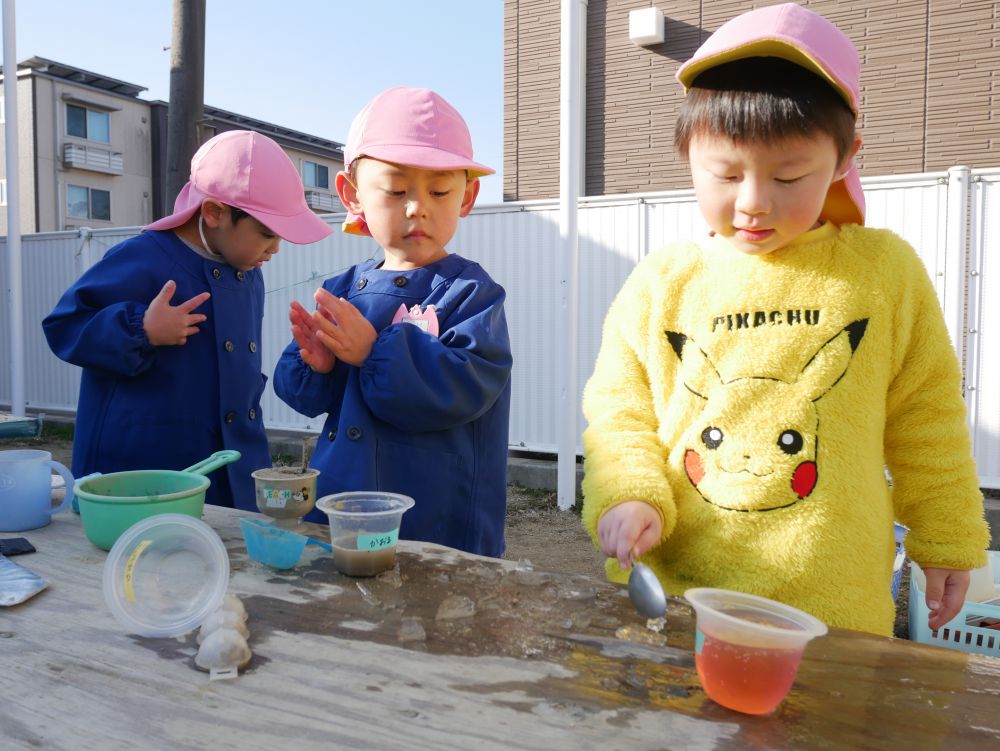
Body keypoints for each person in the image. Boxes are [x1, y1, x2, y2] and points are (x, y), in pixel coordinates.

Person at [580, 3, 990, 636]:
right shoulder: (664, 281)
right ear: (688, 151)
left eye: (789, 175)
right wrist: (629, 493)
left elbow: (925, 415)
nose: (752, 203)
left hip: (833, 602)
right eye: (725, 173)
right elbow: (620, 413)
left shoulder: (881, 272)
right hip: (682, 592)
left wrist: (946, 536)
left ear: (846, 155)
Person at [273, 87, 512, 557]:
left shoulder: (471, 293)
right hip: (341, 502)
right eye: (397, 189)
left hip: (436, 518)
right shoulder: (343, 288)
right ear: (352, 194)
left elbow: (466, 384)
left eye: (439, 190)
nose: (417, 206)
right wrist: (317, 367)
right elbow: (300, 397)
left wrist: (373, 352)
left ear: (467, 197)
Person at [43, 130, 333, 510]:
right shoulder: (145, 257)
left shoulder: (247, 273)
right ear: (214, 212)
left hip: (231, 462)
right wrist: (141, 329)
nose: (275, 248)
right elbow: (65, 324)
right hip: (144, 466)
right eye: (266, 234)